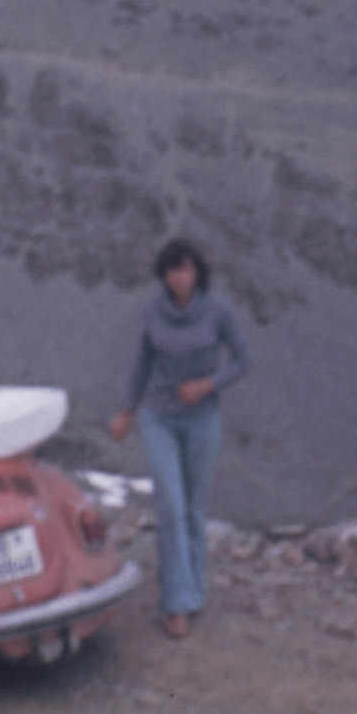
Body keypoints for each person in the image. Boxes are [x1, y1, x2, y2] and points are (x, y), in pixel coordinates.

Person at [108, 236, 250, 639]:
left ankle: (192, 591)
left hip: (203, 419)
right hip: (159, 417)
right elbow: (142, 363)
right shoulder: (153, 312)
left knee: (193, 509)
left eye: (185, 269)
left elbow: (244, 360)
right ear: (164, 274)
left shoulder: (218, 311)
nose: (179, 277)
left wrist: (208, 385)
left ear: (197, 272)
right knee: (170, 506)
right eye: (172, 270)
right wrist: (127, 411)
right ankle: (176, 605)